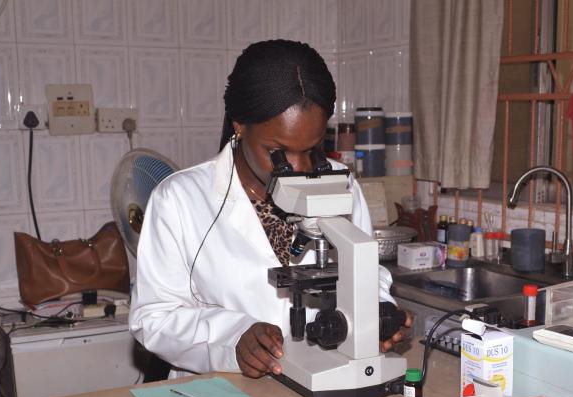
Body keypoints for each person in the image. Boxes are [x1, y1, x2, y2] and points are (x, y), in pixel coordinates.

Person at [130, 39, 412, 379]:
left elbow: (368, 273)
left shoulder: (341, 182)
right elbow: (154, 318)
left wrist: (377, 315)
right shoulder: (180, 199)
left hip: (328, 377)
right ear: (239, 124)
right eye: (278, 152)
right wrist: (232, 339)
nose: (297, 168)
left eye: (311, 149)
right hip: (223, 393)